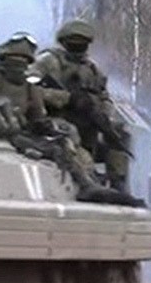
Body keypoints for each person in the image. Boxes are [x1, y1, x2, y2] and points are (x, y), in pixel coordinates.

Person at [29, 19, 132, 193]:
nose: (78, 50)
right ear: (64, 43)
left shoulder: (92, 69)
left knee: (118, 133)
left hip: (86, 122)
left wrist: (101, 112)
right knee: (70, 134)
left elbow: (104, 96)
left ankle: (117, 180)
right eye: (73, 44)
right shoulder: (47, 62)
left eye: (82, 45)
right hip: (54, 117)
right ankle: (83, 179)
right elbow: (29, 89)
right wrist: (67, 98)